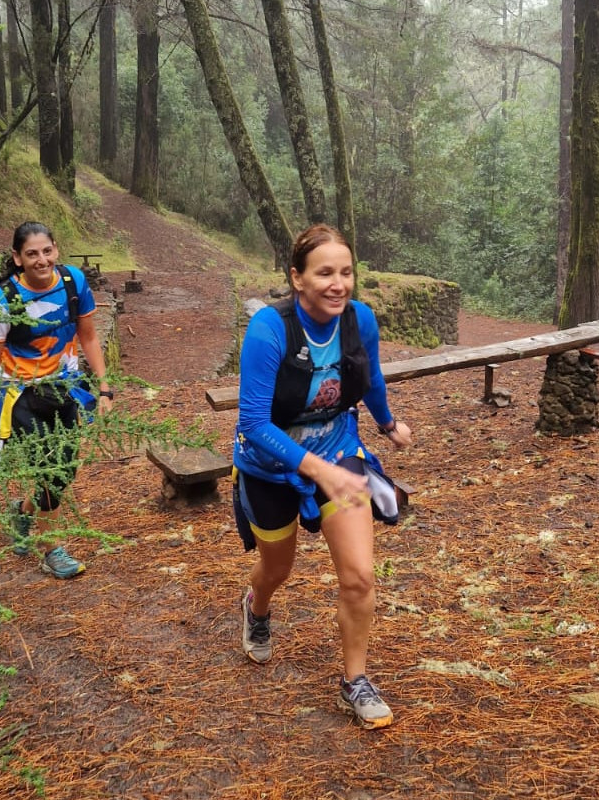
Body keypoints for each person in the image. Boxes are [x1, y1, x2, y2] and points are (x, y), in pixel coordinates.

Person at [232, 223, 412, 729]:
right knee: (277, 568)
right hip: (269, 464)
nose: (339, 284)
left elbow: (369, 377)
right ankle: (257, 607)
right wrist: (317, 472)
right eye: (325, 273)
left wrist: (387, 422)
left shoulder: (360, 321)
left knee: (359, 576)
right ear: (297, 278)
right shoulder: (270, 329)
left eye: (347, 272)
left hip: (338, 447)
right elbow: (252, 422)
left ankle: (354, 681)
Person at [0, 221, 114, 579]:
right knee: (49, 469)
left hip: (64, 390)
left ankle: (23, 512)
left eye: (47, 251)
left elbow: (90, 339)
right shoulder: (3, 299)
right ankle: (51, 548)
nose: (41, 260)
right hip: (21, 394)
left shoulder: (73, 283)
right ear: (17, 258)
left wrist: (104, 388)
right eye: (32, 254)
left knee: (64, 470)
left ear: (56, 249)